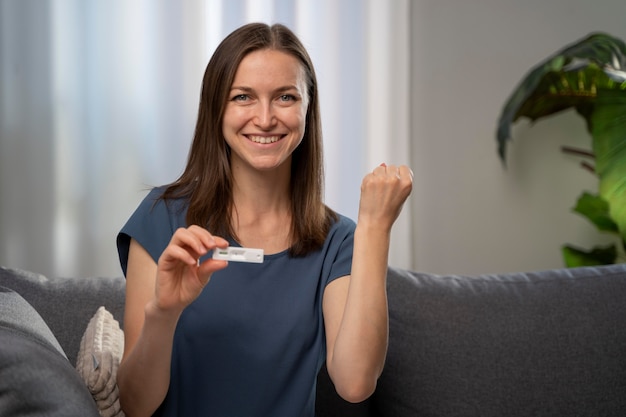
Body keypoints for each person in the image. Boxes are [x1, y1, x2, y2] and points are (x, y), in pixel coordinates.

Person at [116, 22, 413, 417]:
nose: (266, 117)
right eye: (243, 97)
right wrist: (164, 314)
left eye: (285, 97)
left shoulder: (338, 241)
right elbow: (136, 407)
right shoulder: (161, 217)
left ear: (308, 108)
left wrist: (375, 227)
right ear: (216, 109)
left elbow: (355, 383)